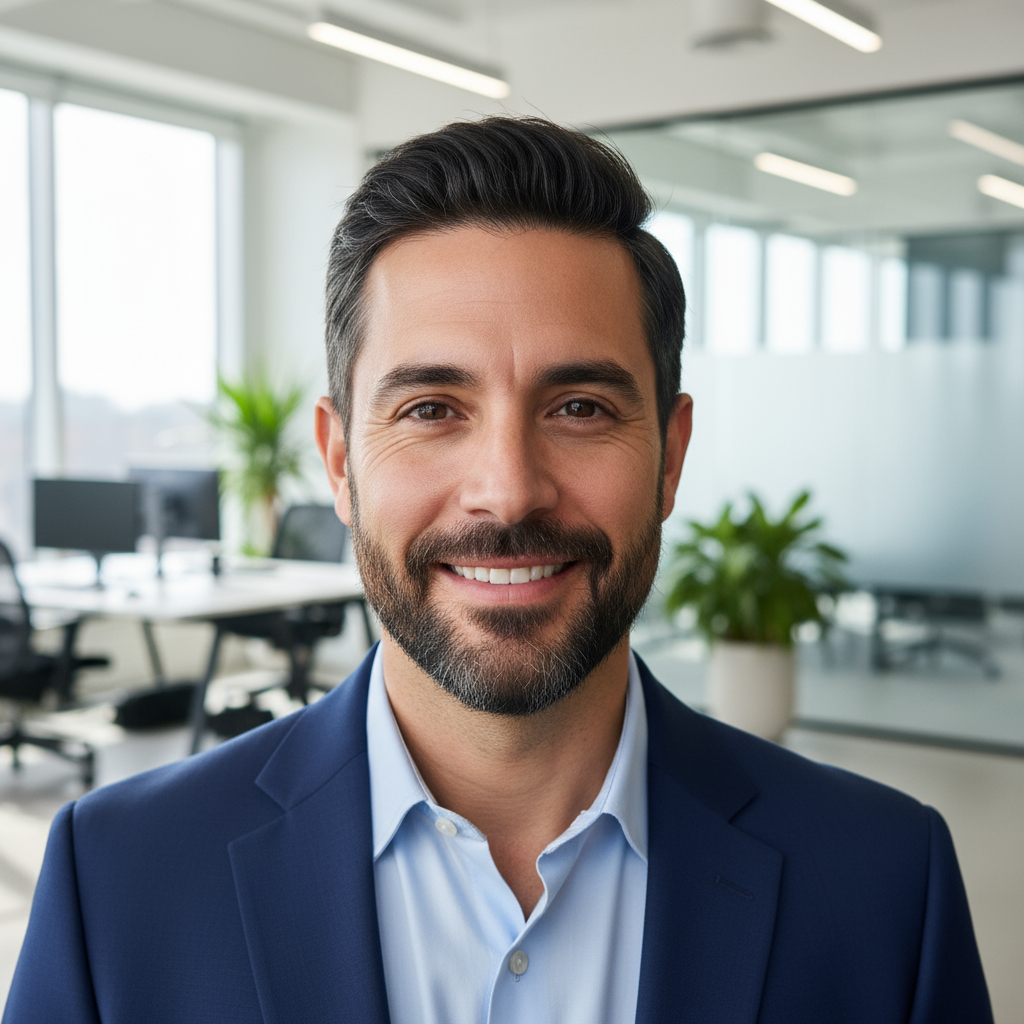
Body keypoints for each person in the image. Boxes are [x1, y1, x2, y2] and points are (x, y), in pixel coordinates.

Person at [4, 117, 992, 1024]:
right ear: (341, 460)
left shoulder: (884, 883)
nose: (508, 493)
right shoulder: (119, 880)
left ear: (671, 457)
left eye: (580, 408)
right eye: (432, 407)